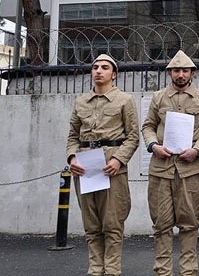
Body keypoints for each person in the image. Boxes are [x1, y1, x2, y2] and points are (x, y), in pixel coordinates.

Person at [141, 50, 199, 276]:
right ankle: (163, 271)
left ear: (192, 72)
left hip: (190, 169)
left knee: (189, 223)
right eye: (176, 70)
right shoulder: (159, 97)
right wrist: (154, 145)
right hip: (161, 169)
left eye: (185, 70)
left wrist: (197, 150)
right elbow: (148, 126)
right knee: (161, 224)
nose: (180, 75)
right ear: (170, 72)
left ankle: (188, 271)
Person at [66, 54, 140, 276]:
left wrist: (119, 159)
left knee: (112, 225)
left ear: (113, 74)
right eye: (95, 67)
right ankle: (95, 270)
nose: (98, 70)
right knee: (91, 226)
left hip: (111, 168)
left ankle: (112, 271)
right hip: (86, 168)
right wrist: (72, 158)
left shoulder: (124, 100)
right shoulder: (81, 102)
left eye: (105, 67)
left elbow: (133, 137)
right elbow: (72, 136)